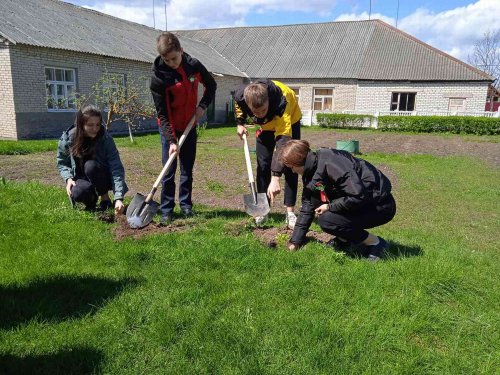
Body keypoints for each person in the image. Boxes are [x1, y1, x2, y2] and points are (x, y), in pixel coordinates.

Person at [281, 140, 396, 261]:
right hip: (361, 203)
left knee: (328, 220)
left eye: (292, 167)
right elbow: (308, 205)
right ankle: (344, 240)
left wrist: (330, 206)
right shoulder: (312, 170)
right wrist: (295, 241)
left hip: (380, 206)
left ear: (299, 162)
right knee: (325, 213)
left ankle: (376, 243)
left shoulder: (332, 163)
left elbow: (358, 196)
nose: (293, 171)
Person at [150, 32, 216, 224]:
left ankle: (186, 205)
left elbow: (211, 86)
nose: (172, 63)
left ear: (182, 50)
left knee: (187, 169)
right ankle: (166, 209)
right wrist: (171, 140)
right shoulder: (158, 78)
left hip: (189, 125)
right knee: (168, 171)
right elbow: (162, 114)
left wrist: (202, 107)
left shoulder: (193, 65)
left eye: (174, 58)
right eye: (167, 59)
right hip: (169, 127)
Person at [234, 79, 301, 229]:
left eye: (262, 110)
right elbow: (238, 105)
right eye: (255, 112)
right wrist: (240, 122)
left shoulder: (281, 103)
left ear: (268, 101)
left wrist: (276, 177)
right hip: (265, 127)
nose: (259, 114)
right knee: (263, 164)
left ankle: (290, 212)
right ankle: (263, 210)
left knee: (291, 163)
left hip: (289, 120)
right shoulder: (242, 96)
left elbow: (282, 143)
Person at [56, 105, 128, 215]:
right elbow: (62, 162)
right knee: (78, 192)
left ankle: (105, 199)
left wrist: (118, 198)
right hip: (81, 177)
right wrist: (68, 178)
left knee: (90, 166)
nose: (95, 129)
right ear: (81, 124)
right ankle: (91, 201)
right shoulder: (69, 138)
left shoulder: (105, 138)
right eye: (90, 125)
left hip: (102, 175)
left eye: (98, 125)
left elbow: (116, 166)